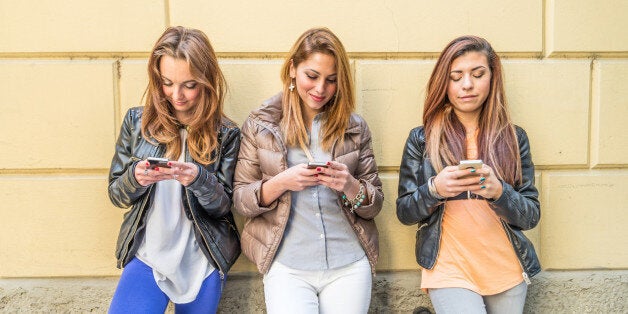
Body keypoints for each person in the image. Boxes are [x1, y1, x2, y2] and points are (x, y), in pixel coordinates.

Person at [233, 27, 384, 314]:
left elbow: (374, 205)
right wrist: (281, 182)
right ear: (292, 69)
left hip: (349, 265)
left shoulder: (355, 127)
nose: (320, 89)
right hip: (287, 266)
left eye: (331, 80)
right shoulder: (260, 124)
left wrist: (349, 185)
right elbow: (241, 200)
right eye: (311, 76)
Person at [396, 35, 541, 314]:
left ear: (492, 78)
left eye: (478, 74)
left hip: (506, 268)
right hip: (449, 267)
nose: (467, 85)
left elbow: (531, 215)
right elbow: (405, 211)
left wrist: (500, 192)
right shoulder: (423, 139)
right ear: (444, 82)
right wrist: (435, 189)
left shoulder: (514, 138)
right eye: (456, 76)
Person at [107, 26, 241, 313]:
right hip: (147, 254)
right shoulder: (136, 122)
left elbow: (223, 206)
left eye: (189, 85)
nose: (176, 95)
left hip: (202, 258)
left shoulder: (226, 133)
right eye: (167, 82)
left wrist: (198, 179)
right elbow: (117, 194)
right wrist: (135, 178)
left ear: (206, 82)